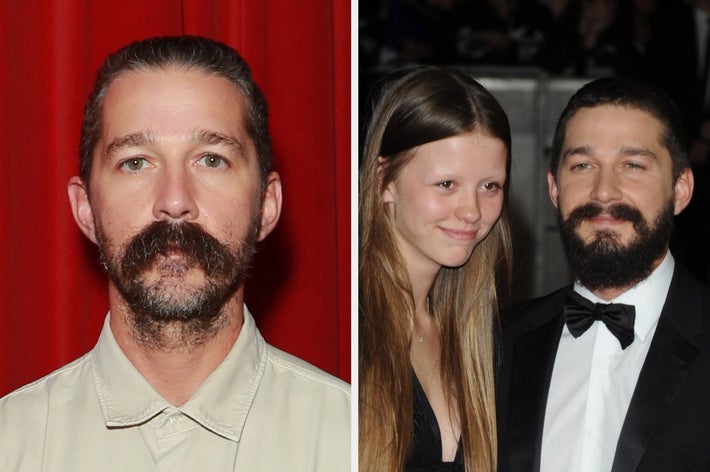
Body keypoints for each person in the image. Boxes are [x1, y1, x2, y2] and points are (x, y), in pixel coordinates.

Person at [0, 36, 350, 471]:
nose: (175, 200)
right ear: (86, 209)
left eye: (211, 159)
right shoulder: (11, 443)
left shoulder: (349, 437)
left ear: (266, 205)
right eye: (135, 162)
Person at [497, 77, 710, 472]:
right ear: (554, 188)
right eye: (583, 165)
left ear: (680, 189)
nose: (604, 191)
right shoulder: (499, 344)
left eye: (633, 165)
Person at [359, 67, 513, 472]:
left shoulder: (479, 335)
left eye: (490, 186)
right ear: (384, 181)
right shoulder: (352, 325)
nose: (472, 211)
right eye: (446, 184)